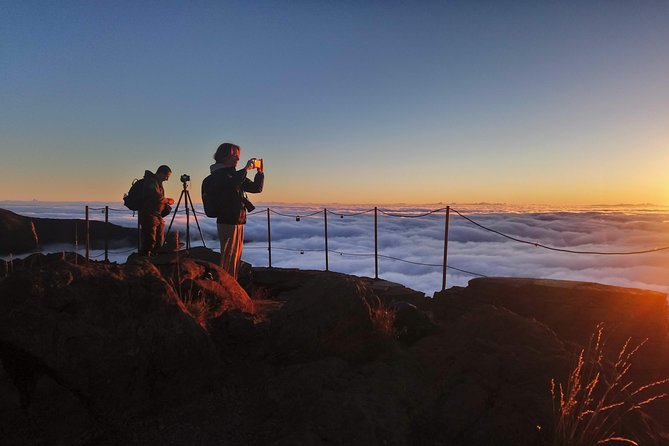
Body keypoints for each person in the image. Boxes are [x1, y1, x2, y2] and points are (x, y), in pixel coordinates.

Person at [209, 143, 264, 278]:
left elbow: (256, 188)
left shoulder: (233, 175)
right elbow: (231, 184)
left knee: (235, 256)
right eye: (235, 156)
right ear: (223, 156)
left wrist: (260, 173)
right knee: (228, 257)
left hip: (238, 219)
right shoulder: (219, 175)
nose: (237, 159)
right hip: (227, 219)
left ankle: (232, 285)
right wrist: (245, 169)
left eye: (238, 156)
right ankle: (226, 287)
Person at [138, 165, 175, 256]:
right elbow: (157, 197)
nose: (167, 179)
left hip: (157, 215)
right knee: (150, 241)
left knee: (159, 242)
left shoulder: (157, 182)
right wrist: (168, 201)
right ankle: (143, 261)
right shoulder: (151, 182)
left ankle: (154, 260)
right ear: (161, 173)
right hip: (149, 214)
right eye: (167, 176)